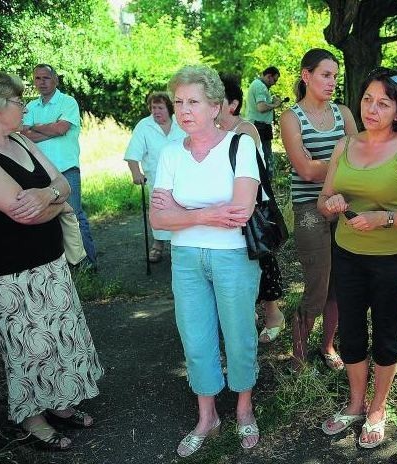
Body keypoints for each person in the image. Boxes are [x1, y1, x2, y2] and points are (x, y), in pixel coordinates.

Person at [150, 65, 261, 456]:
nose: (184, 110)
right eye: (178, 102)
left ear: (215, 106)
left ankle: (245, 410)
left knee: (239, 335)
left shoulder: (240, 145)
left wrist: (181, 208)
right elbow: (157, 219)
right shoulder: (168, 154)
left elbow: (241, 211)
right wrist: (203, 214)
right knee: (195, 339)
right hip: (185, 259)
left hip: (233, 257)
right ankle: (207, 415)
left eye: (193, 101)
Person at [0, 71, 103, 450]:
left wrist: (46, 195)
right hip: (12, 273)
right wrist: (53, 202)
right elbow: (24, 213)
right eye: (17, 101)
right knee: (28, 347)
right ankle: (33, 420)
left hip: (50, 262)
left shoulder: (22, 140)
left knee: (60, 339)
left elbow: (64, 184)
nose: (25, 107)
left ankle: (59, 405)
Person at [318, 67, 397, 448]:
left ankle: (378, 408)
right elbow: (323, 200)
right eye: (367, 100)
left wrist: (384, 218)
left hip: (393, 258)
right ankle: (356, 403)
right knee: (353, 331)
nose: (372, 109)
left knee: (387, 332)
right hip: (348, 254)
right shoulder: (344, 145)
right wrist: (334, 203)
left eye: (383, 103)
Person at [279, 48, 357, 372]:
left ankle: (327, 347)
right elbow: (306, 172)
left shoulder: (344, 113)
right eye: (326, 75)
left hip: (343, 206)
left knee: (339, 284)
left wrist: (326, 164)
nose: (332, 82)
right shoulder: (290, 117)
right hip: (310, 207)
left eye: (335, 76)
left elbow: (361, 159)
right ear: (306, 75)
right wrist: (341, 162)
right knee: (316, 284)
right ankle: (297, 358)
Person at [219, 74, 285, 343]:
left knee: (261, 261)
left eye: (216, 99)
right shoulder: (210, 130)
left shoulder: (244, 129)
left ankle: (274, 314)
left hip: (254, 207)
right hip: (226, 208)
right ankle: (250, 314)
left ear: (232, 104)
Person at [20, 64, 97, 269]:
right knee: (48, 217)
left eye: (46, 77)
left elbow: (61, 129)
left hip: (66, 167)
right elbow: (23, 135)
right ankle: (61, 265)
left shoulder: (67, 101)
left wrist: (34, 128)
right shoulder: (31, 106)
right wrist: (48, 128)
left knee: (74, 214)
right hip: (40, 171)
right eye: (37, 78)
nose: (42, 82)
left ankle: (87, 263)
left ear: (56, 80)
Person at [124, 92, 185, 263]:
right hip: (156, 179)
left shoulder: (180, 124)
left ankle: (180, 246)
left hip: (182, 178)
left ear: (169, 108)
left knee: (182, 210)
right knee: (159, 212)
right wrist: (136, 173)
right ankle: (158, 244)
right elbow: (133, 153)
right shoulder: (144, 125)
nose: (156, 111)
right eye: (153, 108)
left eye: (160, 108)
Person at [246, 66, 282, 179]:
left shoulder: (258, 85)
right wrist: (275, 105)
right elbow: (261, 107)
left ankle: (261, 181)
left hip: (258, 125)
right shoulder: (260, 86)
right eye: (274, 80)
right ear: (269, 76)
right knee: (264, 156)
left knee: (261, 155)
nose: (274, 83)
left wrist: (271, 102)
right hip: (259, 126)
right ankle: (265, 183)